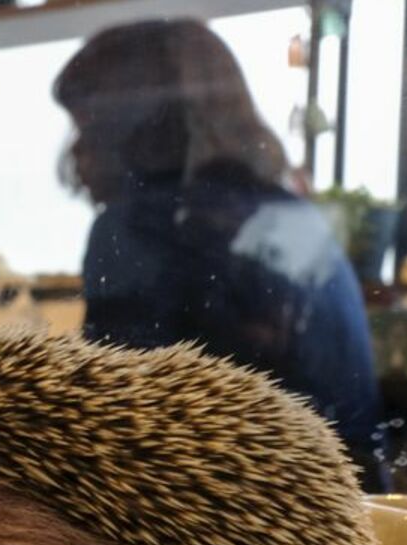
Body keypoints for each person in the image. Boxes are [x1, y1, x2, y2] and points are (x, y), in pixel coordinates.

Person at [54, 19, 388, 491]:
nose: (76, 153)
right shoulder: (295, 218)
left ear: (129, 128)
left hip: (248, 508)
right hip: (355, 503)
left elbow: (111, 429)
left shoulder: (136, 226)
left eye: (87, 125)